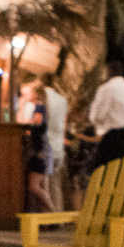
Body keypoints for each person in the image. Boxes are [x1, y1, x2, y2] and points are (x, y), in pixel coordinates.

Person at [88, 60, 124, 172]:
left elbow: (97, 115)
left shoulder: (106, 89)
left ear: (109, 72)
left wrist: (98, 126)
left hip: (114, 136)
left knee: (105, 173)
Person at [16, 78, 55, 212]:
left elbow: (34, 124)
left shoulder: (38, 107)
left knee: (34, 186)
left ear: (33, 94)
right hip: (44, 149)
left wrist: (22, 108)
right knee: (43, 187)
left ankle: (54, 214)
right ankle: (51, 219)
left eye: (25, 94)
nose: (23, 97)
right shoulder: (39, 107)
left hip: (40, 150)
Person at [42, 74, 68, 209]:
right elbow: (64, 123)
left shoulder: (43, 99)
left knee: (45, 185)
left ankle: (49, 218)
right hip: (58, 145)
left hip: (47, 144)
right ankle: (58, 217)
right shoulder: (62, 100)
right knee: (56, 184)